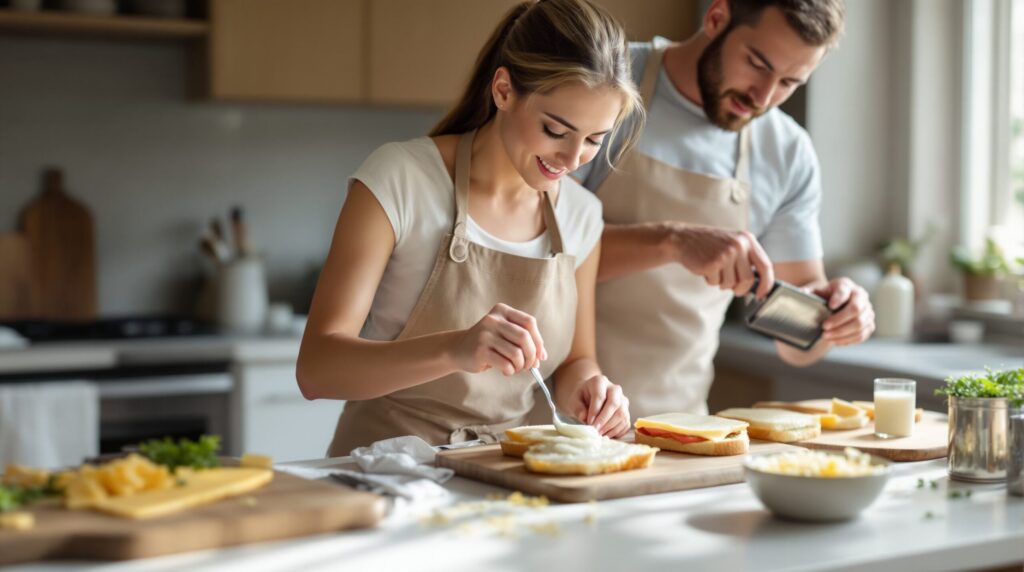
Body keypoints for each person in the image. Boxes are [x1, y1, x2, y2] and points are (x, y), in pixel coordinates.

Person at [297, 0, 645, 456]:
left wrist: (593, 390)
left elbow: (577, 361)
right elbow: (317, 370)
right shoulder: (401, 178)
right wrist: (454, 350)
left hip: (499, 480)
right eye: (556, 130)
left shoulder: (581, 215)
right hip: (382, 474)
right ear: (504, 90)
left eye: (595, 140)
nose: (572, 158)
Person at [574, 0, 876, 419]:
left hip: (675, 422)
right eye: (757, 63)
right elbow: (532, 251)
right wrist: (672, 242)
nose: (764, 97)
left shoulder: (788, 153)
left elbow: (798, 344)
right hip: (553, 412)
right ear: (716, 18)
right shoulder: (602, 80)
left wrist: (837, 316)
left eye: (790, 82)